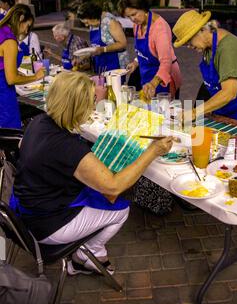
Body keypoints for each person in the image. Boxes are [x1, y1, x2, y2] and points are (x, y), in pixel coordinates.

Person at [12, 72, 174, 274]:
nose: (92, 107)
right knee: (121, 209)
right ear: (77, 107)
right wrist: (152, 151)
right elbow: (114, 186)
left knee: (101, 192)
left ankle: (87, 253)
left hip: (23, 207)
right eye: (91, 102)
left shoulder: (38, 122)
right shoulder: (68, 147)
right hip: (44, 224)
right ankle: (86, 257)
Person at [172, 10, 237, 124]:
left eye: (189, 41)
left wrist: (194, 112)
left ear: (202, 30)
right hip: (225, 105)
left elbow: (229, 93)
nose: (189, 46)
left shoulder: (228, 49)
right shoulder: (208, 46)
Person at [118, 0, 182, 100]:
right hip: (146, 76)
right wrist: (135, 62)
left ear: (143, 7)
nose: (133, 19)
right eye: (129, 17)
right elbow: (143, 51)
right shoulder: (137, 25)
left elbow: (166, 62)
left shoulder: (159, 28)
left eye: (134, 14)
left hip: (163, 79)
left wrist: (153, 83)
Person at [0, 4, 45, 129]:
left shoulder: (2, 30)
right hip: (4, 93)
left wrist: (14, 72)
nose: (26, 31)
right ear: (21, 18)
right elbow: (11, 79)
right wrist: (35, 77)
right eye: (27, 26)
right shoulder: (9, 41)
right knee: (9, 135)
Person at [77, 1, 129, 73]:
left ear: (92, 16)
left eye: (87, 22)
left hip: (114, 64)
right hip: (100, 64)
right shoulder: (93, 24)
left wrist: (103, 49)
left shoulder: (110, 22)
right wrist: (84, 56)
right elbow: (96, 47)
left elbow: (123, 43)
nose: (86, 25)